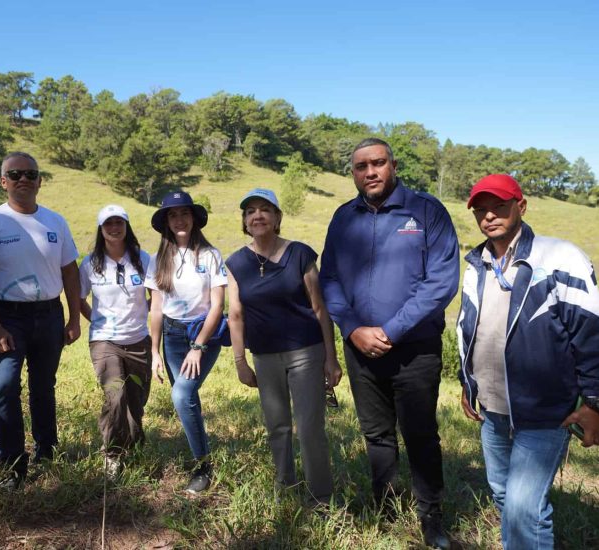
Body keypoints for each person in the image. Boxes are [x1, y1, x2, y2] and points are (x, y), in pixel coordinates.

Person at [320, 138, 459, 548]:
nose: (370, 172)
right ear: (353, 173)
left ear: (393, 165)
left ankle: (431, 515)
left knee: (420, 433)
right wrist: (351, 328)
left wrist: (391, 330)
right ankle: (383, 504)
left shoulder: (426, 210)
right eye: (361, 166)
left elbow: (441, 281)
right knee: (376, 433)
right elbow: (328, 278)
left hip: (414, 348)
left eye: (378, 163)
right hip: (359, 348)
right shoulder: (344, 217)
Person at [458, 174, 599, 549]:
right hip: (492, 410)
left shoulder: (559, 258)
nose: (489, 216)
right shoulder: (477, 265)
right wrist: (467, 383)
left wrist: (593, 402)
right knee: (504, 495)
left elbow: (591, 334)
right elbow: (469, 329)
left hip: (544, 410)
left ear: (521, 206)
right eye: (481, 210)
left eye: (499, 206)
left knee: (523, 507)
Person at [0, 152, 81, 489]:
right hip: (7, 316)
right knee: (3, 386)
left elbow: (69, 271)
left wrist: (74, 317)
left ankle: (47, 452)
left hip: (49, 314)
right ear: (3, 181)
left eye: (30, 174)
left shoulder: (56, 222)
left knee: (43, 387)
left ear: (39, 181)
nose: (23, 179)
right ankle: (13, 464)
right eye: (14, 174)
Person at [226, 188, 342, 506]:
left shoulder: (301, 254)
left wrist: (330, 359)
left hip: (306, 351)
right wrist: (240, 362)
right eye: (250, 211)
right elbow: (235, 315)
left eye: (265, 209)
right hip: (263, 356)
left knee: (308, 428)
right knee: (277, 426)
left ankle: (321, 498)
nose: (257, 215)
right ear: (245, 222)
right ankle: (285, 488)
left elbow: (320, 308)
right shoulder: (236, 263)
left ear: (278, 217)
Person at [145, 191, 226, 494]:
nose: (180, 220)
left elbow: (217, 306)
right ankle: (200, 449)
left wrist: (199, 346)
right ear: (166, 221)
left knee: (181, 396)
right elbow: (155, 308)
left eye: (185, 214)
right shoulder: (158, 259)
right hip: (172, 336)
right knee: (187, 397)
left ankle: (202, 466)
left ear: (194, 219)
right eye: (173, 215)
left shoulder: (210, 255)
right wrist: (154, 352)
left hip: (203, 334)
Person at [79, 204, 152, 476]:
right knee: (116, 394)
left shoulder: (143, 259)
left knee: (136, 398)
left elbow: (155, 294)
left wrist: (143, 311)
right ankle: (112, 453)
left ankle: (134, 442)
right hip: (104, 340)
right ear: (101, 229)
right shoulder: (90, 263)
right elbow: (78, 298)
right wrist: (96, 321)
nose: (114, 228)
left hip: (138, 339)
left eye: (119, 222)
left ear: (126, 226)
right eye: (108, 224)